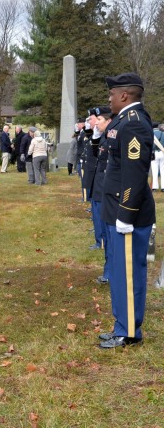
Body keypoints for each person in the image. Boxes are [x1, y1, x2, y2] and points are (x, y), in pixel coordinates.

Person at [99, 73, 155, 349]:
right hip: (115, 209)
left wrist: (126, 213)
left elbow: (134, 174)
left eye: (112, 94)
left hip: (127, 213)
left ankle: (129, 331)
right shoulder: (123, 121)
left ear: (125, 96)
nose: (109, 98)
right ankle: (122, 324)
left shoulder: (134, 124)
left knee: (129, 273)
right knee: (120, 274)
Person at [90, 108, 113, 275]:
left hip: (106, 190)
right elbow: (96, 155)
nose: (96, 122)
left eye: (99, 119)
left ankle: (109, 272)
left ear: (108, 121)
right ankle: (108, 271)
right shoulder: (104, 138)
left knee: (109, 235)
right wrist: (96, 137)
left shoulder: (112, 138)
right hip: (99, 188)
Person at [150, 123, 164, 191]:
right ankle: (163, 187)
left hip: (154, 153)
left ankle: (154, 187)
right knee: (163, 171)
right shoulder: (163, 134)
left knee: (154, 170)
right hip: (162, 153)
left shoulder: (150, 134)